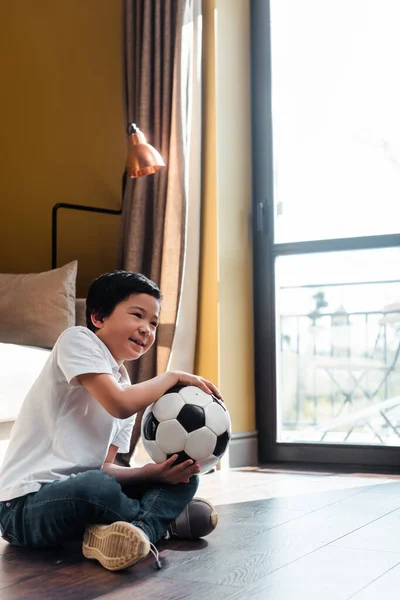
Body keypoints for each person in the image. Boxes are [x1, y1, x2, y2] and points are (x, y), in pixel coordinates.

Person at [0, 270, 221, 571]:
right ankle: (159, 525)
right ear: (98, 317)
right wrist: (172, 377)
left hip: (81, 497)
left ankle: (132, 533)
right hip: (23, 508)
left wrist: (153, 473)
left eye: (153, 323)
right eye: (137, 315)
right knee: (96, 487)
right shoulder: (76, 340)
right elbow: (118, 405)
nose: (147, 329)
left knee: (185, 473)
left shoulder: (126, 386)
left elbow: (105, 465)